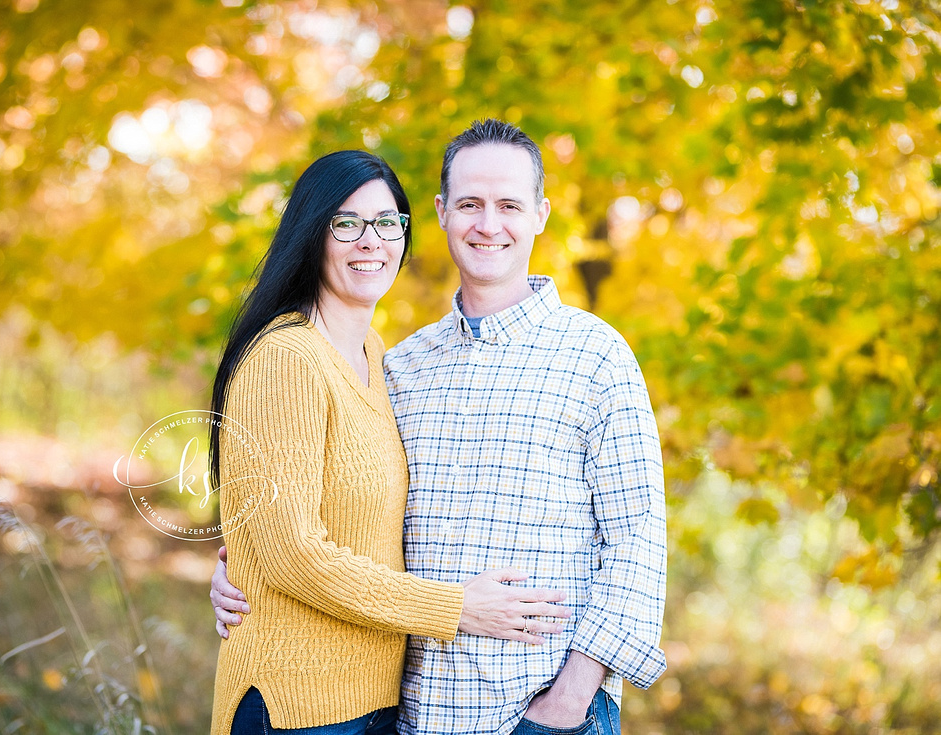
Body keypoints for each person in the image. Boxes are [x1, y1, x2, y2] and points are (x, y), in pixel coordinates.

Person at [213, 123, 667, 734]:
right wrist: (244, 568)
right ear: (441, 213)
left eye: (509, 205)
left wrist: (568, 703)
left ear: (541, 215)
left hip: (543, 712)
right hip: (413, 711)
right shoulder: (401, 365)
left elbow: (638, 545)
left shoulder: (595, 357)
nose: (489, 224)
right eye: (470, 205)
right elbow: (334, 521)